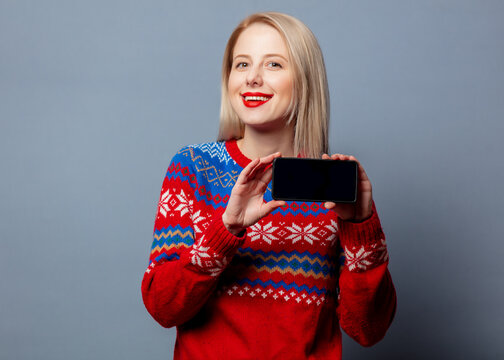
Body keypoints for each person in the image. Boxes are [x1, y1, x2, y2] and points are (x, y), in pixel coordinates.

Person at [141, 11, 396, 360]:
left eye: (274, 65)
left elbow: (368, 330)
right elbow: (163, 308)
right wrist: (226, 231)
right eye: (241, 65)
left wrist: (360, 229)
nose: (253, 79)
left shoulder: (334, 186)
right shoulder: (193, 169)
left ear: (304, 80)